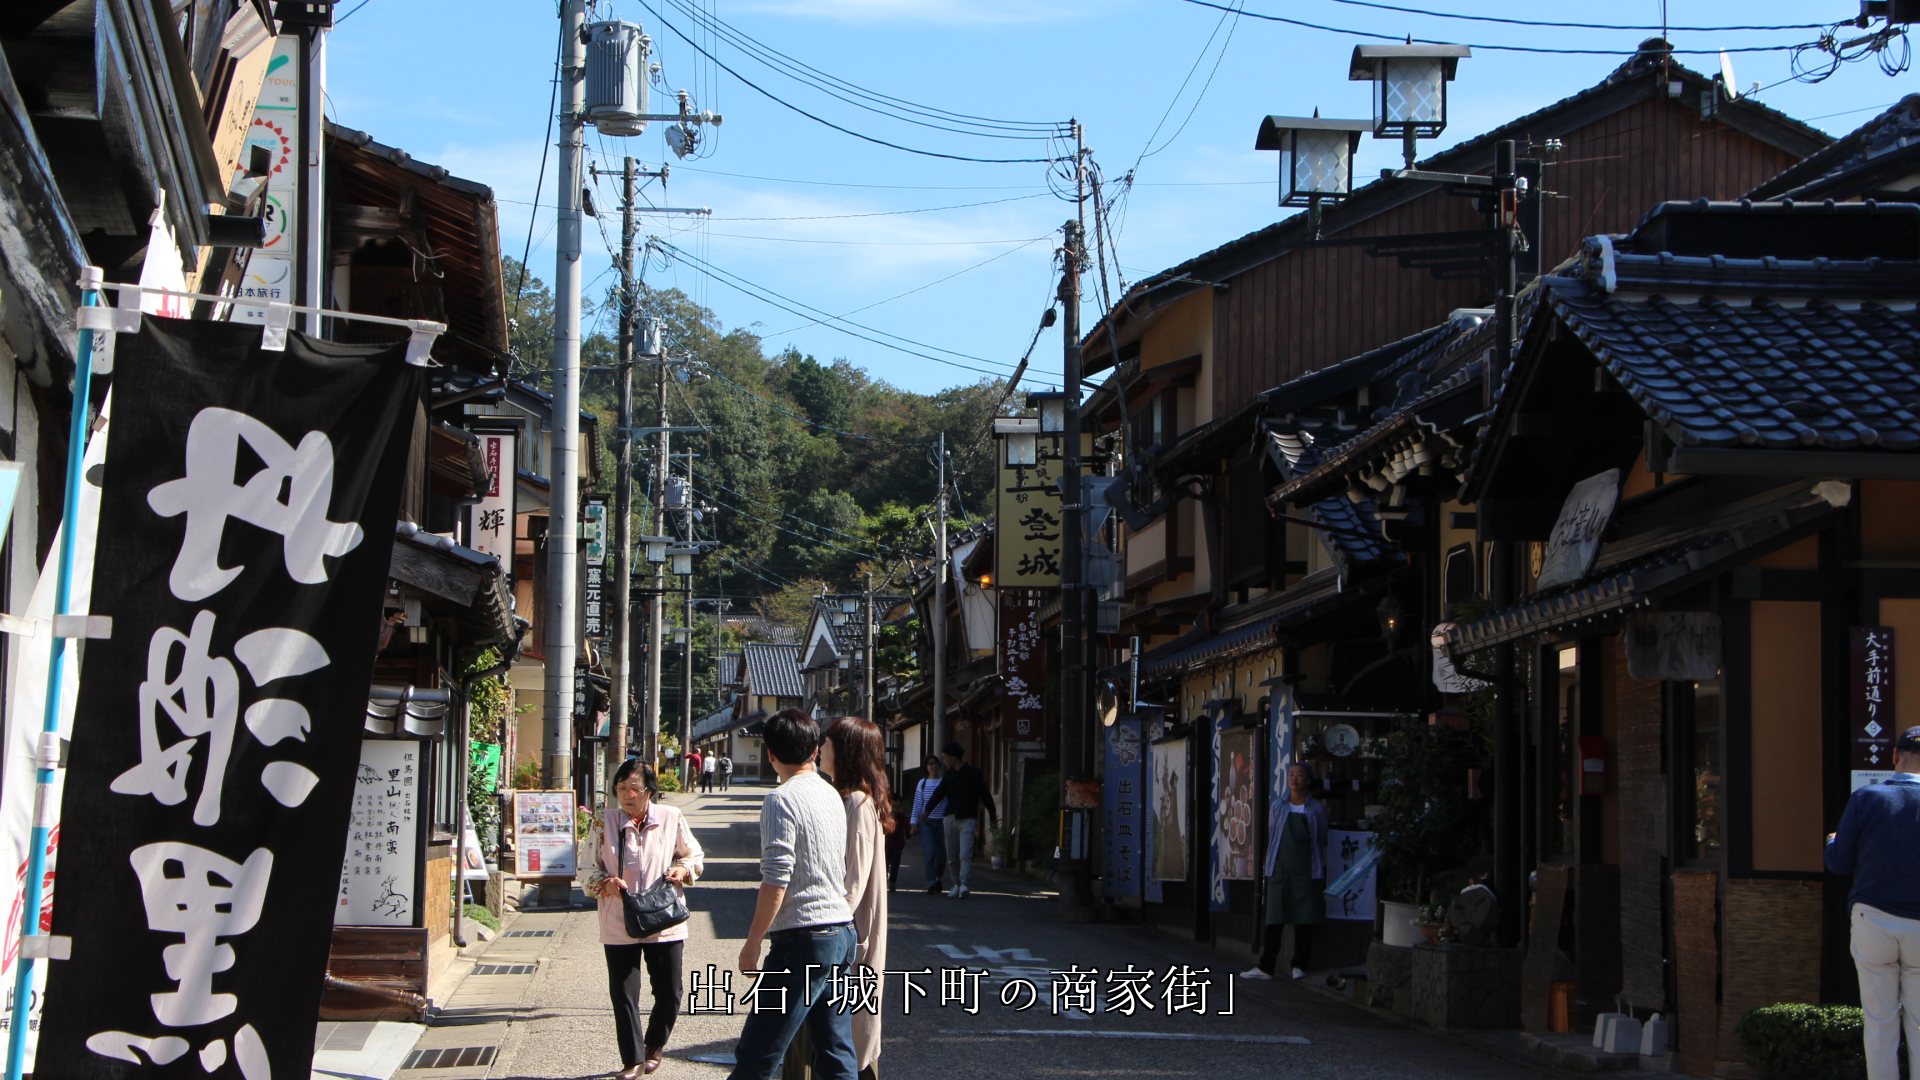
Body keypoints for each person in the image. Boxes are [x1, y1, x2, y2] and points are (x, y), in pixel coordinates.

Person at [728, 709, 858, 1080]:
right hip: (840, 930)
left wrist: (753, 942)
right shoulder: (831, 793)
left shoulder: (780, 800)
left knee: (758, 1052)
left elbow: (776, 877)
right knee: (835, 1050)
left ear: (770, 754)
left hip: (803, 937)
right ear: (815, 750)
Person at [585, 761, 703, 1078]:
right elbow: (585, 870)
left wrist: (684, 870)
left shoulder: (671, 817)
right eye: (621, 788)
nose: (627, 794)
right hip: (618, 919)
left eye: (634, 788)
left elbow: (694, 855)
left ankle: (653, 1046)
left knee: (670, 991)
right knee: (623, 994)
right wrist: (604, 883)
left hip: (664, 917)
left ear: (649, 790)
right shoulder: (603, 822)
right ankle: (633, 1060)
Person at [1826, 726, 1920, 1080]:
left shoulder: (1867, 799)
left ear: (1895, 756)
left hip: (1874, 918)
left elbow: (1839, 863)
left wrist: (1832, 841)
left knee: (1880, 1021)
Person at [821, 717, 892, 1080]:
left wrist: (826, 924)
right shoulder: (850, 799)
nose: (820, 749)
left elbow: (853, 882)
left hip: (852, 932)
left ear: (846, 751)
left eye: (828, 743)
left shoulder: (858, 804)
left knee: (851, 1030)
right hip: (850, 931)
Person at [1245, 762, 1328, 981]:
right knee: (1274, 919)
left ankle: (1299, 965)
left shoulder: (1317, 809)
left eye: (1299, 775)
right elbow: (1273, 834)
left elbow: (1321, 839)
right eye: (1291, 774)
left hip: (1307, 868)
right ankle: (1266, 967)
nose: (1294, 778)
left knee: (1304, 920)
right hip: (1280, 868)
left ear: (1308, 779)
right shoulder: (1278, 806)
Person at [924, 742, 997, 899]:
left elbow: (986, 795)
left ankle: (964, 884)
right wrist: (927, 810)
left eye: (945, 758)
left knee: (965, 853)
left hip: (968, 818)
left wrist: (992, 817)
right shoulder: (949, 776)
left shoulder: (974, 773)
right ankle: (956, 884)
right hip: (950, 818)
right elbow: (938, 794)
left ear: (953, 757)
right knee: (952, 855)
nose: (944, 762)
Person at [907, 755, 947, 895]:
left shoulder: (944, 782)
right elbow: (918, 804)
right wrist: (913, 823)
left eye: (935, 763)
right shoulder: (922, 783)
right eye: (930, 764)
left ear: (939, 765)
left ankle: (939, 877)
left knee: (942, 854)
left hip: (942, 821)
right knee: (929, 853)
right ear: (926, 767)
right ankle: (931, 883)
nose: (933, 766)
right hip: (926, 823)